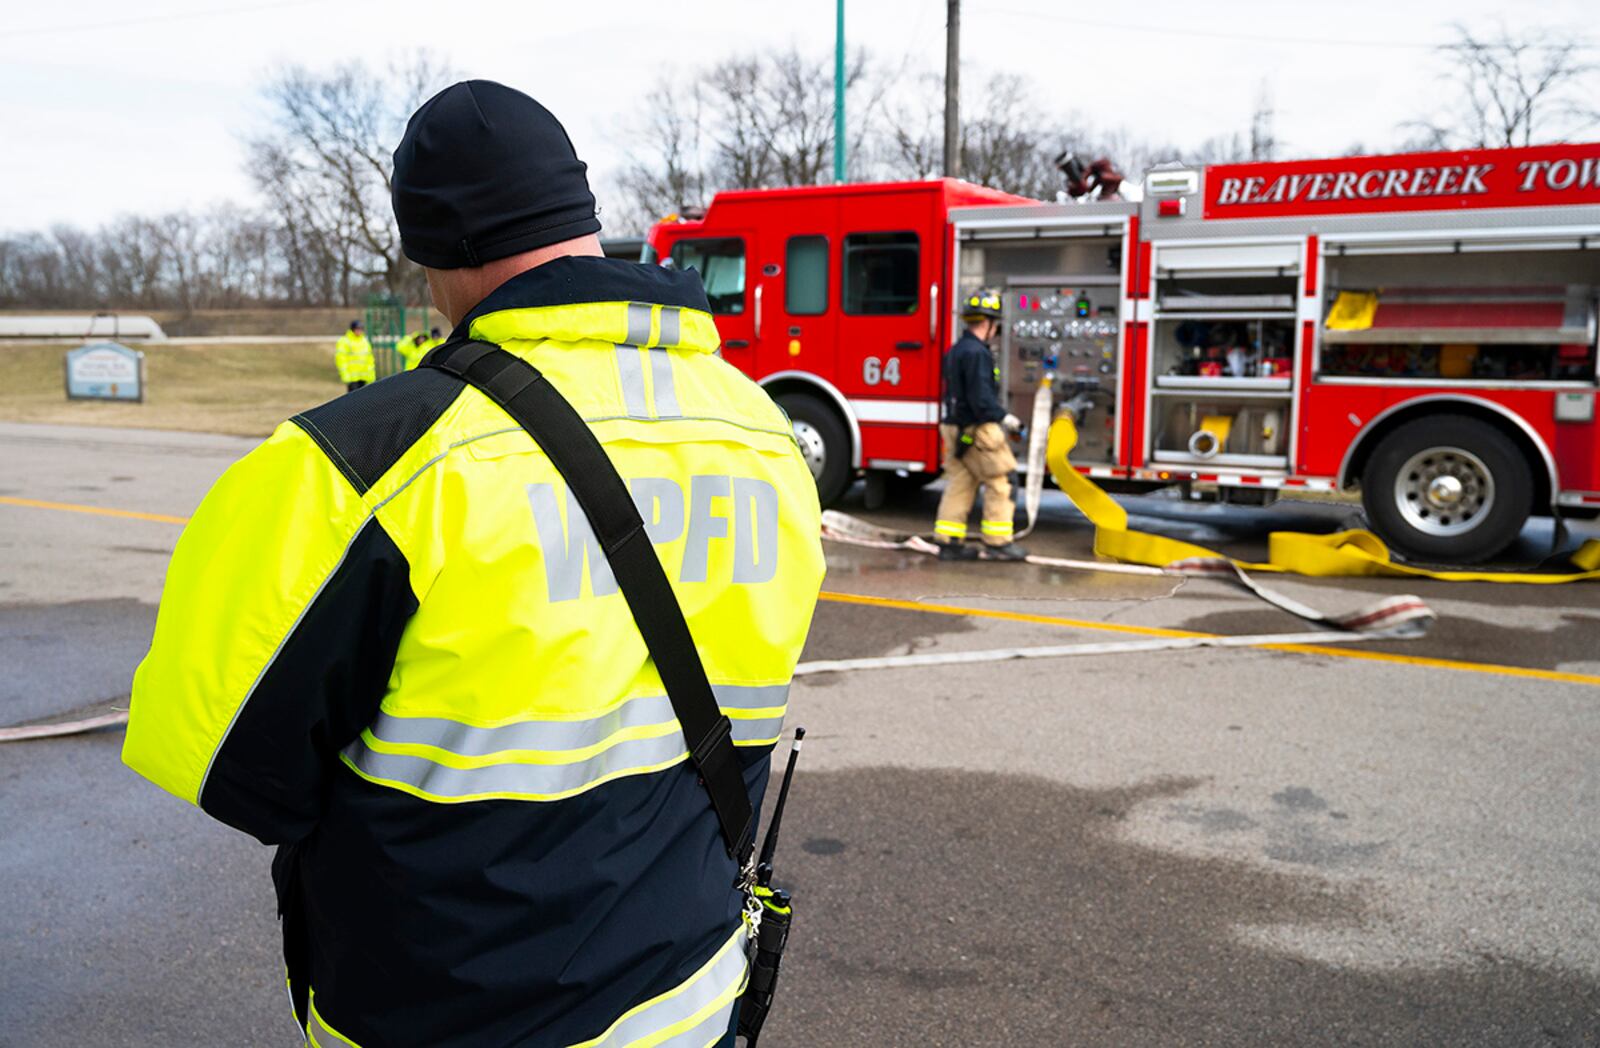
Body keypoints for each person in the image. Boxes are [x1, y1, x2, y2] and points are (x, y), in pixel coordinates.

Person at [123, 79, 826, 1048]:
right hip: (686, 994)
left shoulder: (361, 461)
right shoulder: (764, 431)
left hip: (445, 1013)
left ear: (432, 251)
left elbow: (225, 765)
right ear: (582, 219)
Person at [933, 289, 1027, 561]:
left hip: (953, 426)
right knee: (1003, 481)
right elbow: (981, 399)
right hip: (978, 428)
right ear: (988, 323)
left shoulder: (955, 351)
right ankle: (998, 543)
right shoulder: (978, 354)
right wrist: (1007, 419)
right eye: (995, 325)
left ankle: (948, 542)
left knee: (961, 482)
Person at [334, 319, 376, 390]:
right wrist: (345, 375)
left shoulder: (364, 341)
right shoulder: (345, 341)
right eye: (357, 329)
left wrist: (371, 375)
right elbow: (341, 360)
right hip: (352, 378)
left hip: (364, 377)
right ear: (352, 329)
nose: (359, 331)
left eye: (361, 329)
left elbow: (370, 359)